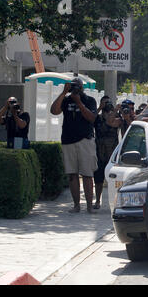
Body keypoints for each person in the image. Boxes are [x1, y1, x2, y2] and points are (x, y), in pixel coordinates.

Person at [50, 78, 98, 214]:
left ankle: (89, 206)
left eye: (77, 86)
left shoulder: (89, 100)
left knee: (88, 174)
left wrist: (79, 102)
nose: (75, 89)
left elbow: (92, 118)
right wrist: (63, 92)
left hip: (85, 140)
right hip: (68, 140)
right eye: (73, 86)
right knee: (72, 174)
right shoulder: (66, 100)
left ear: (82, 87)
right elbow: (54, 111)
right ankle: (76, 205)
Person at [93, 96, 119, 209]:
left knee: (114, 179)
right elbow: (91, 119)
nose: (107, 105)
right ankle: (97, 200)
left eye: (109, 102)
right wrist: (99, 108)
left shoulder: (116, 116)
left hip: (112, 151)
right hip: (99, 150)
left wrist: (114, 111)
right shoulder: (98, 118)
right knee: (98, 178)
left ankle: (115, 202)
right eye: (105, 103)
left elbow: (113, 123)